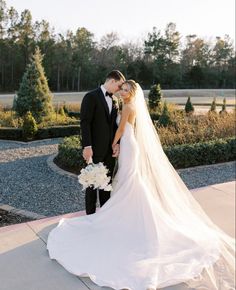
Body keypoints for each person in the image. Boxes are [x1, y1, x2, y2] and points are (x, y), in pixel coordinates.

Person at [47, 80, 235, 290]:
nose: (122, 92)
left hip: (127, 145)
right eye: (122, 89)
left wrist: (113, 145)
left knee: (131, 181)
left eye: (126, 90)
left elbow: (119, 131)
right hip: (129, 146)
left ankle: (137, 216)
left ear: (132, 92)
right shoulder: (127, 105)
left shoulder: (128, 106)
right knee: (129, 181)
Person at [80, 70, 125, 214]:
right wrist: (87, 146)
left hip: (109, 152)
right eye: (118, 86)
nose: (119, 90)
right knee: (91, 187)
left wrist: (117, 144)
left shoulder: (115, 100)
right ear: (112, 81)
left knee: (106, 186)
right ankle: (90, 218)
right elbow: (85, 123)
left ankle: (104, 217)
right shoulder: (90, 97)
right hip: (94, 150)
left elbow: (115, 126)